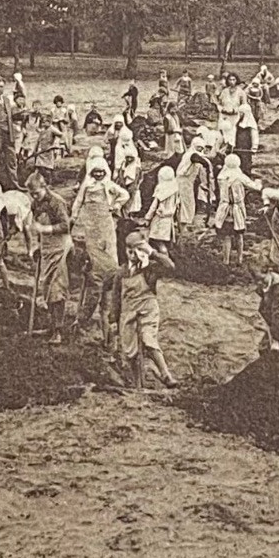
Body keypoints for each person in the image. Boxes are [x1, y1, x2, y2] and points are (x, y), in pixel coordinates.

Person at [113, 230, 178, 389]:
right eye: (129, 250)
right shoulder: (121, 273)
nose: (133, 254)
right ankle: (137, 385)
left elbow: (170, 266)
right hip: (128, 312)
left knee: (148, 339)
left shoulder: (149, 269)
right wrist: (113, 320)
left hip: (148, 309)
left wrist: (152, 252)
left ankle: (165, 374)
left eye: (137, 250)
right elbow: (116, 299)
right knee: (131, 352)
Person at [71, 154, 128, 335]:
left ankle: (108, 279)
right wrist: (73, 217)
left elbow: (124, 194)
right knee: (92, 254)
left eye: (101, 172)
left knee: (108, 252)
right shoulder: (86, 186)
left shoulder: (109, 186)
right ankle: (94, 275)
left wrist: (115, 206)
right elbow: (78, 202)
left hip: (105, 223)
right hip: (90, 224)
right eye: (95, 172)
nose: (98, 175)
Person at [28, 173, 74, 343]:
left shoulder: (56, 202)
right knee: (46, 288)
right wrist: (37, 246)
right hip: (47, 248)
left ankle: (58, 331)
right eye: (31, 194)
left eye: (37, 193)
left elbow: (66, 226)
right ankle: (51, 325)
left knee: (57, 289)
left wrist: (46, 229)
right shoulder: (35, 204)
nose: (34, 197)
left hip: (60, 248)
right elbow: (36, 227)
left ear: (44, 187)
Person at [212, 153, 262, 266]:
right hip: (237, 208)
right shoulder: (240, 177)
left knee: (227, 236)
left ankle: (226, 260)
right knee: (239, 234)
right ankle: (239, 259)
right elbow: (256, 187)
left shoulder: (221, 177)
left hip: (224, 207)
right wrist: (258, 182)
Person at [144, 166, 180, 256]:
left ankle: (164, 257)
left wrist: (148, 217)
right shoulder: (175, 188)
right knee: (167, 241)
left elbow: (154, 205)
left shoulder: (161, 188)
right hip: (169, 218)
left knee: (158, 241)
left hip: (160, 219)